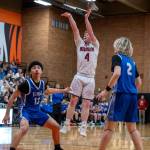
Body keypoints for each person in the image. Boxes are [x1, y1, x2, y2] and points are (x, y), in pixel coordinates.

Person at [2, 61, 70, 150]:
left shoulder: (42, 83)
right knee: (24, 129)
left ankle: (57, 148)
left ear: (41, 71)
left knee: (56, 127)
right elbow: (12, 97)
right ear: (30, 72)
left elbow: (48, 91)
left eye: (38, 68)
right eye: (34, 68)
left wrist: (63, 90)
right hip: (26, 111)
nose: (36, 69)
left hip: (37, 111)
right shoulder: (25, 84)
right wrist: (7, 114)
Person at [97, 37, 143, 150]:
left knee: (108, 129)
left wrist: (106, 90)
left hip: (120, 95)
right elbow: (139, 82)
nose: (114, 48)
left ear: (119, 47)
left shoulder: (117, 57)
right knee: (133, 129)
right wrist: (131, 90)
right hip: (132, 96)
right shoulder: (132, 62)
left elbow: (117, 73)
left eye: (115, 46)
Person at [60, 9, 100, 137]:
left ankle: (83, 126)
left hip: (90, 78)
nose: (85, 35)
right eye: (84, 34)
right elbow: (75, 30)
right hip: (79, 76)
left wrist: (86, 19)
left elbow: (91, 31)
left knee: (87, 103)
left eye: (87, 34)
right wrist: (70, 17)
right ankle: (66, 124)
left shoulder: (95, 44)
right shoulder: (79, 43)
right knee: (73, 101)